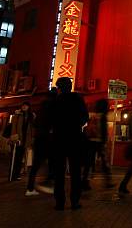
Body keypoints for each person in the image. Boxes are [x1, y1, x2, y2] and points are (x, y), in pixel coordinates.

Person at [52, 77, 89, 210]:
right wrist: (77, 124)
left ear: (59, 88)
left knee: (59, 172)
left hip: (59, 138)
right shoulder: (78, 99)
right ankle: (75, 201)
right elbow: (85, 117)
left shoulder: (57, 101)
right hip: (75, 138)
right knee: (75, 171)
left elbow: (52, 120)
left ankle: (60, 202)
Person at [26, 90, 57, 196]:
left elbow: (35, 124)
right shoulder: (54, 108)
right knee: (53, 162)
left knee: (36, 165)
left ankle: (30, 188)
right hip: (49, 139)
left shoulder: (40, 109)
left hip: (39, 139)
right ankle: (49, 184)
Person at [82, 98, 113, 190]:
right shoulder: (103, 117)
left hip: (90, 142)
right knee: (104, 162)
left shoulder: (94, 116)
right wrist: (104, 143)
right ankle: (108, 181)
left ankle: (85, 182)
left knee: (89, 163)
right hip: (99, 142)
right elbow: (103, 131)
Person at [10, 102, 35, 181]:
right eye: (23, 105)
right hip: (17, 139)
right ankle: (12, 174)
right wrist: (14, 137)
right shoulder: (17, 115)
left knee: (20, 158)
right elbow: (13, 126)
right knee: (15, 157)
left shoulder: (31, 116)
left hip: (26, 139)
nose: (24, 107)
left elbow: (32, 128)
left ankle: (17, 174)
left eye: (26, 106)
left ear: (29, 107)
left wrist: (31, 139)